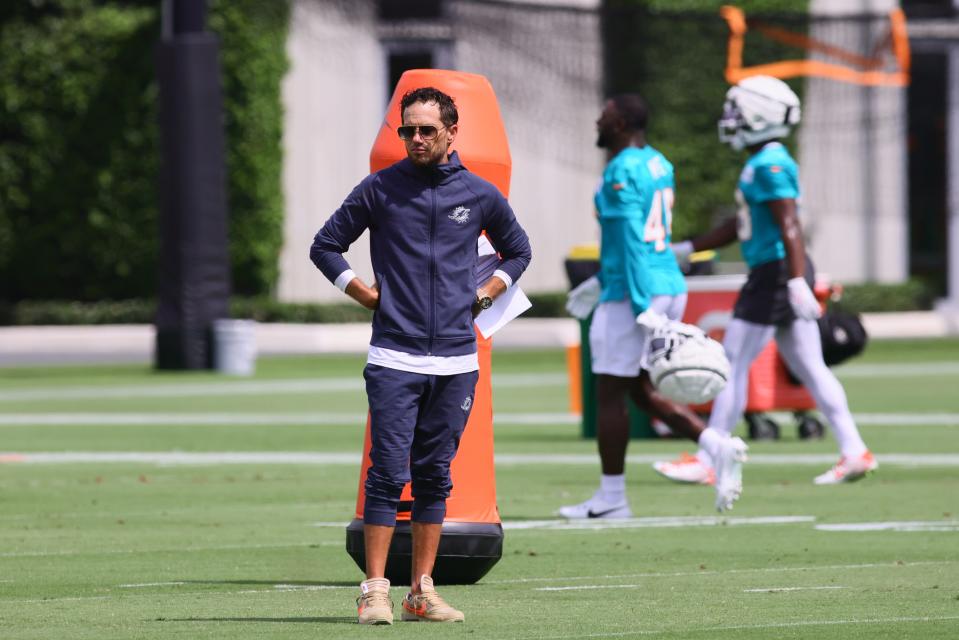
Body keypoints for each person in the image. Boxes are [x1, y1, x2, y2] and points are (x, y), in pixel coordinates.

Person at [310, 87, 532, 625]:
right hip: (394, 357)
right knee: (387, 474)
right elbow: (324, 245)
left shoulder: (480, 194)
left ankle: (421, 592)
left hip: (456, 361)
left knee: (435, 476)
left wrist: (486, 294)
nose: (414, 138)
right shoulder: (380, 189)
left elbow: (519, 250)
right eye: (407, 130)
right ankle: (375, 591)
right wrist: (363, 293)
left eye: (426, 130)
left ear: (452, 133)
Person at [653, 75, 877, 486]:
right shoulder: (762, 163)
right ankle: (854, 450)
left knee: (734, 362)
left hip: (776, 273)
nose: (731, 119)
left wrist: (794, 280)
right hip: (781, 270)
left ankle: (711, 456)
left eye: (737, 111)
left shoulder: (769, 165)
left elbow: (789, 223)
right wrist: (689, 247)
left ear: (759, 115)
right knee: (809, 366)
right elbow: (743, 225)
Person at [560, 94, 749, 520]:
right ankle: (716, 447)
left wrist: (636, 300)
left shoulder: (621, 169)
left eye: (605, 115)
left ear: (622, 122)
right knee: (638, 389)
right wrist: (600, 279)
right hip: (665, 279)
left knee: (609, 390)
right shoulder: (659, 163)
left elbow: (629, 238)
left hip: (635, 290)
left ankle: (612, 498)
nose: (598, 120)